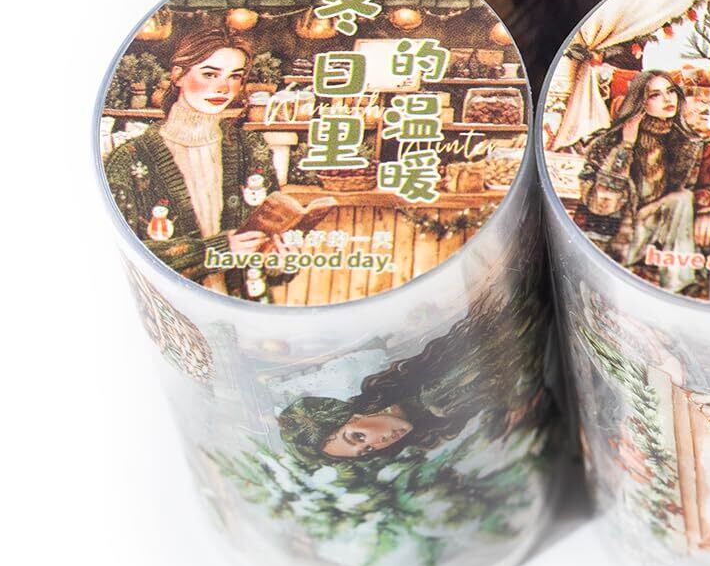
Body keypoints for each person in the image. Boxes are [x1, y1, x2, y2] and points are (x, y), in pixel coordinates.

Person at [104, 27, 282, 297]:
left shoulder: (251, 148)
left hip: (246, 310)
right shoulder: (131, 158)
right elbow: (118, 256)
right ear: (178, 75)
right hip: (172, 312)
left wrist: (280, 259)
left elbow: (270, 263)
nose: (223, 88)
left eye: (234, 76)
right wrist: (217, 249)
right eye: (210, 74)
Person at [276, 303, 551, 470]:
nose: (378, 443)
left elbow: (509, 363)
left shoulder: (436, 400)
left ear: (355, 415)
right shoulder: (421, 404)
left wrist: (517, 405)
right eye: (367, 450)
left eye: (358, 437)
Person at [575, 71, 710, 295]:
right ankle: (677, 287)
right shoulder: (608, 142)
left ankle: (678, 288)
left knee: (684, 201)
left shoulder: (692, 144)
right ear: (640, 103)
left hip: (665, 235)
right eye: (655, 95)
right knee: (681, 199)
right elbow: (602, 204)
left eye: (671, 91)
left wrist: (708, 211)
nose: (667, 99)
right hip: (619, 239)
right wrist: (626, 147)